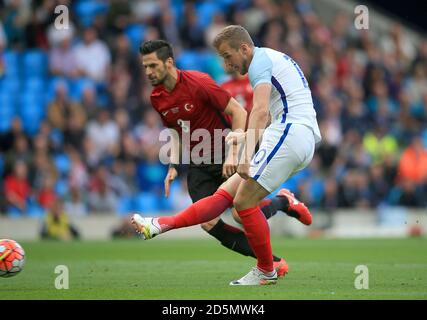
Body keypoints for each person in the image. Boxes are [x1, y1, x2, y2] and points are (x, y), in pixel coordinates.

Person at [133, 33, 319, 285]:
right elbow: (176, 131)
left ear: (244, 48)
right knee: (229, 200)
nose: (227, 65)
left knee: (242, 205)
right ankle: (158, 225)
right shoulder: (158, 97)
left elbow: (258, 111)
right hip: (287, 135)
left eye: (228, 56)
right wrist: (174, 164)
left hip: (287, 133)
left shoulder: (257, 64)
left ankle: (266, 268)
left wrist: (242, 154)